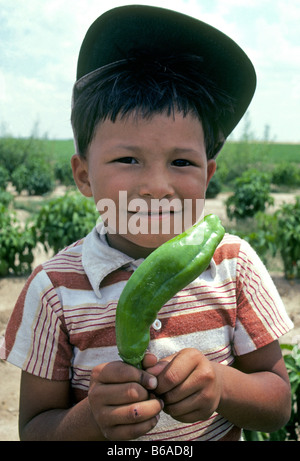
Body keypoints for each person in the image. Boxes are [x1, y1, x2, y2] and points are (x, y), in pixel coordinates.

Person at [0, 5, 294, 441]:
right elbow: (34, 429)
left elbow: (277, 406)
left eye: (181, 161)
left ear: (208, 176)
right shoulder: (54, 290)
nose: (157, 187)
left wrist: (223, 386)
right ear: (84, 176)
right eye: (127, 159)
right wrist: (91, 418)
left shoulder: (235, 265)